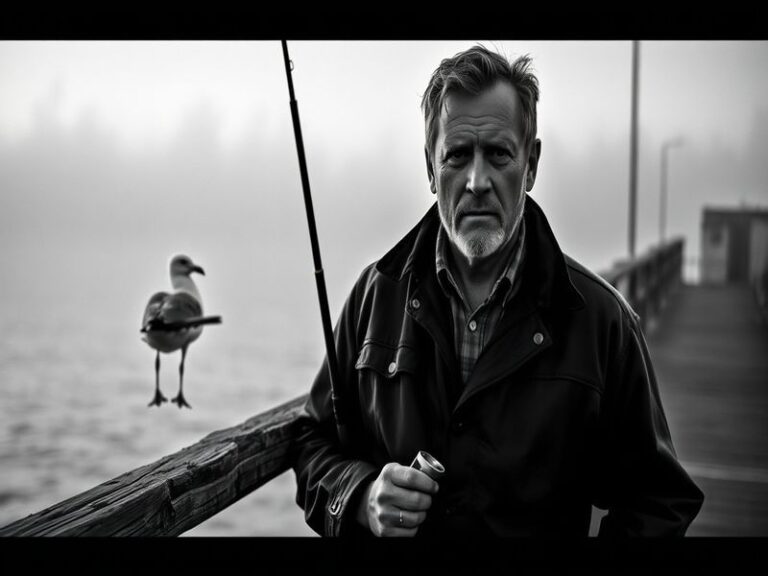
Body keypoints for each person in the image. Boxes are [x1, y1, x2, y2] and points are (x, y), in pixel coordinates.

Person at [292, 44, 704, 537]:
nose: (477, 181)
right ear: (430, 167)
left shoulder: (601, 321)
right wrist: (359, 496)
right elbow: (310, 440)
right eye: (458, 156)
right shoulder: (373, 297)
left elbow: (659, 500)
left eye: (499, 155)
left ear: (530, 164)